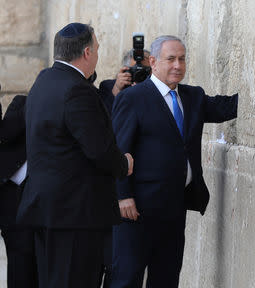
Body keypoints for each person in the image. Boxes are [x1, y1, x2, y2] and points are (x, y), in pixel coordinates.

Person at [110, 35, 238, 288]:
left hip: (174, 208)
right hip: (138, 210)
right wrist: (122, 195)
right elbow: (118, 148)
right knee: (127, 277)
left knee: (166, 277)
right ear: (154, 62)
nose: (178, 65)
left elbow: (226, 108)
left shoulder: (193, 97)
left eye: (182, 59)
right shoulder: (134, 98)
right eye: (171, 59)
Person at [16, 23, 134, 288]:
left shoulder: (44, 80)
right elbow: (99, 149)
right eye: (98, 49)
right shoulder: (77, 90)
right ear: (88, 52)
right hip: (75, 215)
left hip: (48, 210)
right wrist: (123, 164)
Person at [97, 49, 151, 288]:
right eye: (133, 71)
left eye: (145, 71)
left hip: (145, 195)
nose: (139, 75)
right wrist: (118, 89)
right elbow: (103, 130)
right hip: (113, 191)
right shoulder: (108, 90)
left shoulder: (156, 94)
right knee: (114, 265)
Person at [0, 84, 38, 288]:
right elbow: (5, 134)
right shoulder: (22, 104)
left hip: (43, 210)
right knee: (19, 271)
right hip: (13, 210)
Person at [98, 49, 151, 113]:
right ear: (126, 69)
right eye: (135, 70)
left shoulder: (157, 89)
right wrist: (117, 89)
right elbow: (104, 116)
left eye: (144, 70)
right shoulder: (108, 86)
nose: (139, 74)